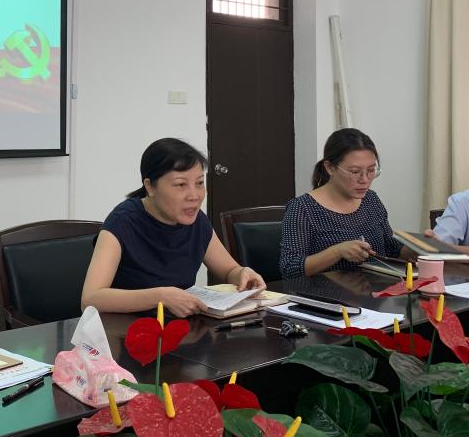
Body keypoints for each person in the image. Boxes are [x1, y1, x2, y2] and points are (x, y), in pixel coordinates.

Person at [81, 137, 265, 318]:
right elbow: (90, 299)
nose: (194, 196)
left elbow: (229, 270)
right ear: (150, 187)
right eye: (180, 184)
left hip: (179, 328)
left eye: (200, 183)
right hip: (127, 329)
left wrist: (243, 273)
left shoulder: (197, 221)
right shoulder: (122, 222)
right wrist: (159, 297)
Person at [279, 128, 401, 278]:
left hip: (375, 289)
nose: (364, 180)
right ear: (330, 167)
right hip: (326, 291)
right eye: (355, 172)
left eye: (371, 171)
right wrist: (337, 251)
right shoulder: (302, 208)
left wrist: (422, 248)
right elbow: (290, 268)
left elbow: (392, 249)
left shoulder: (371, 199)